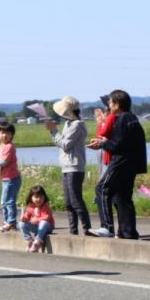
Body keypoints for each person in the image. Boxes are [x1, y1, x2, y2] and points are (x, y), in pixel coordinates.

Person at [88, 90, 147, 240]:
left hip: (121, 162)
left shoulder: (121, 119)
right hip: (132, 164)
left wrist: (102, 143)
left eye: (110, 102)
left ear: (117, 104)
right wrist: (104, 143)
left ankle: (106, 227)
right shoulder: (132, 118)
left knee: (102, 188)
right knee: (122, 197)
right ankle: (128, 233)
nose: (108, 105)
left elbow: (117, 145)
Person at [47, 96, 91, 235]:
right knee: (69, 202)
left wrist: (54, 131)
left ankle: (87, 229)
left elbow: (65, 145)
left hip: (75, 167)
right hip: (66, 166)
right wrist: (54, 131)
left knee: (76, 201)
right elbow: (63, 143)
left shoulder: (77, 124)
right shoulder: (68, 124)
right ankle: (73, 231)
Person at [87, 97, 117, 237]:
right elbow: (102, 138)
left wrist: (102, 123)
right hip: (106, 160)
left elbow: (106, 137)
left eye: (109, 104)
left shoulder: (116, 118)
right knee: (108, 194)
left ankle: (110, 228)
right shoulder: (111, 118)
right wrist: (101, 123)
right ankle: (113, 229)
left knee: (114, 196)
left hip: (113, 161)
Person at [20, 184, 56, 253]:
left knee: (43, 222)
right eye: (36, 197)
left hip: (47, 227)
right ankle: (29, 240)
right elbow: (26, 217)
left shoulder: (45, 207)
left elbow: (47, 217)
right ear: (31, 198)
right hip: (37, 228)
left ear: (44, 197)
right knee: (22, 224)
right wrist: (23, 218)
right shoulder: (31, 207)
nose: (39, 199)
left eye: (41, 197)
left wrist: (37, 220)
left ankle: (38, 241)